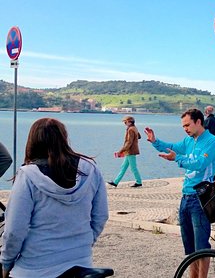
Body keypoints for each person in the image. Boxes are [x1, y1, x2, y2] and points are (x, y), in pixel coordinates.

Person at [0, 118, 108, 278]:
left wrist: (6, 262)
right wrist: (84, 242)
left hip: (35, 267)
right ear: (63, 138)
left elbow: (14, 231)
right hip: (80, 261)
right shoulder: (90, 169)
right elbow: (101, 216)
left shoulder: (27, 176)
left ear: (33, 141)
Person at [145, 108, 215, 278]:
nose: (185, 128)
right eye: (183, 126)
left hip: (201, 198)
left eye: (187, 125)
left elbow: (200, 163)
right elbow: (172, 147)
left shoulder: (211, 141)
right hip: (186, 198)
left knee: (201, 247)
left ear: (199, 122)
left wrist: (177, 159)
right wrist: (155, 141)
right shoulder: (188, 141)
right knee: (190, 249)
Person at [107, 115, 142, 188]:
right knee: (123, 167)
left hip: (130, 151)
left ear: (129, 122)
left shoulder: (130, 129)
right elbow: (139, 136)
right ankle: (115, 182)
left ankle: (139, 182)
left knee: (133, 168)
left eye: (125, 122)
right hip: (129, 151)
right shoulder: (134, 128)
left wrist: (121, 151)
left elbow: (129, 142)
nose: (124, 123)